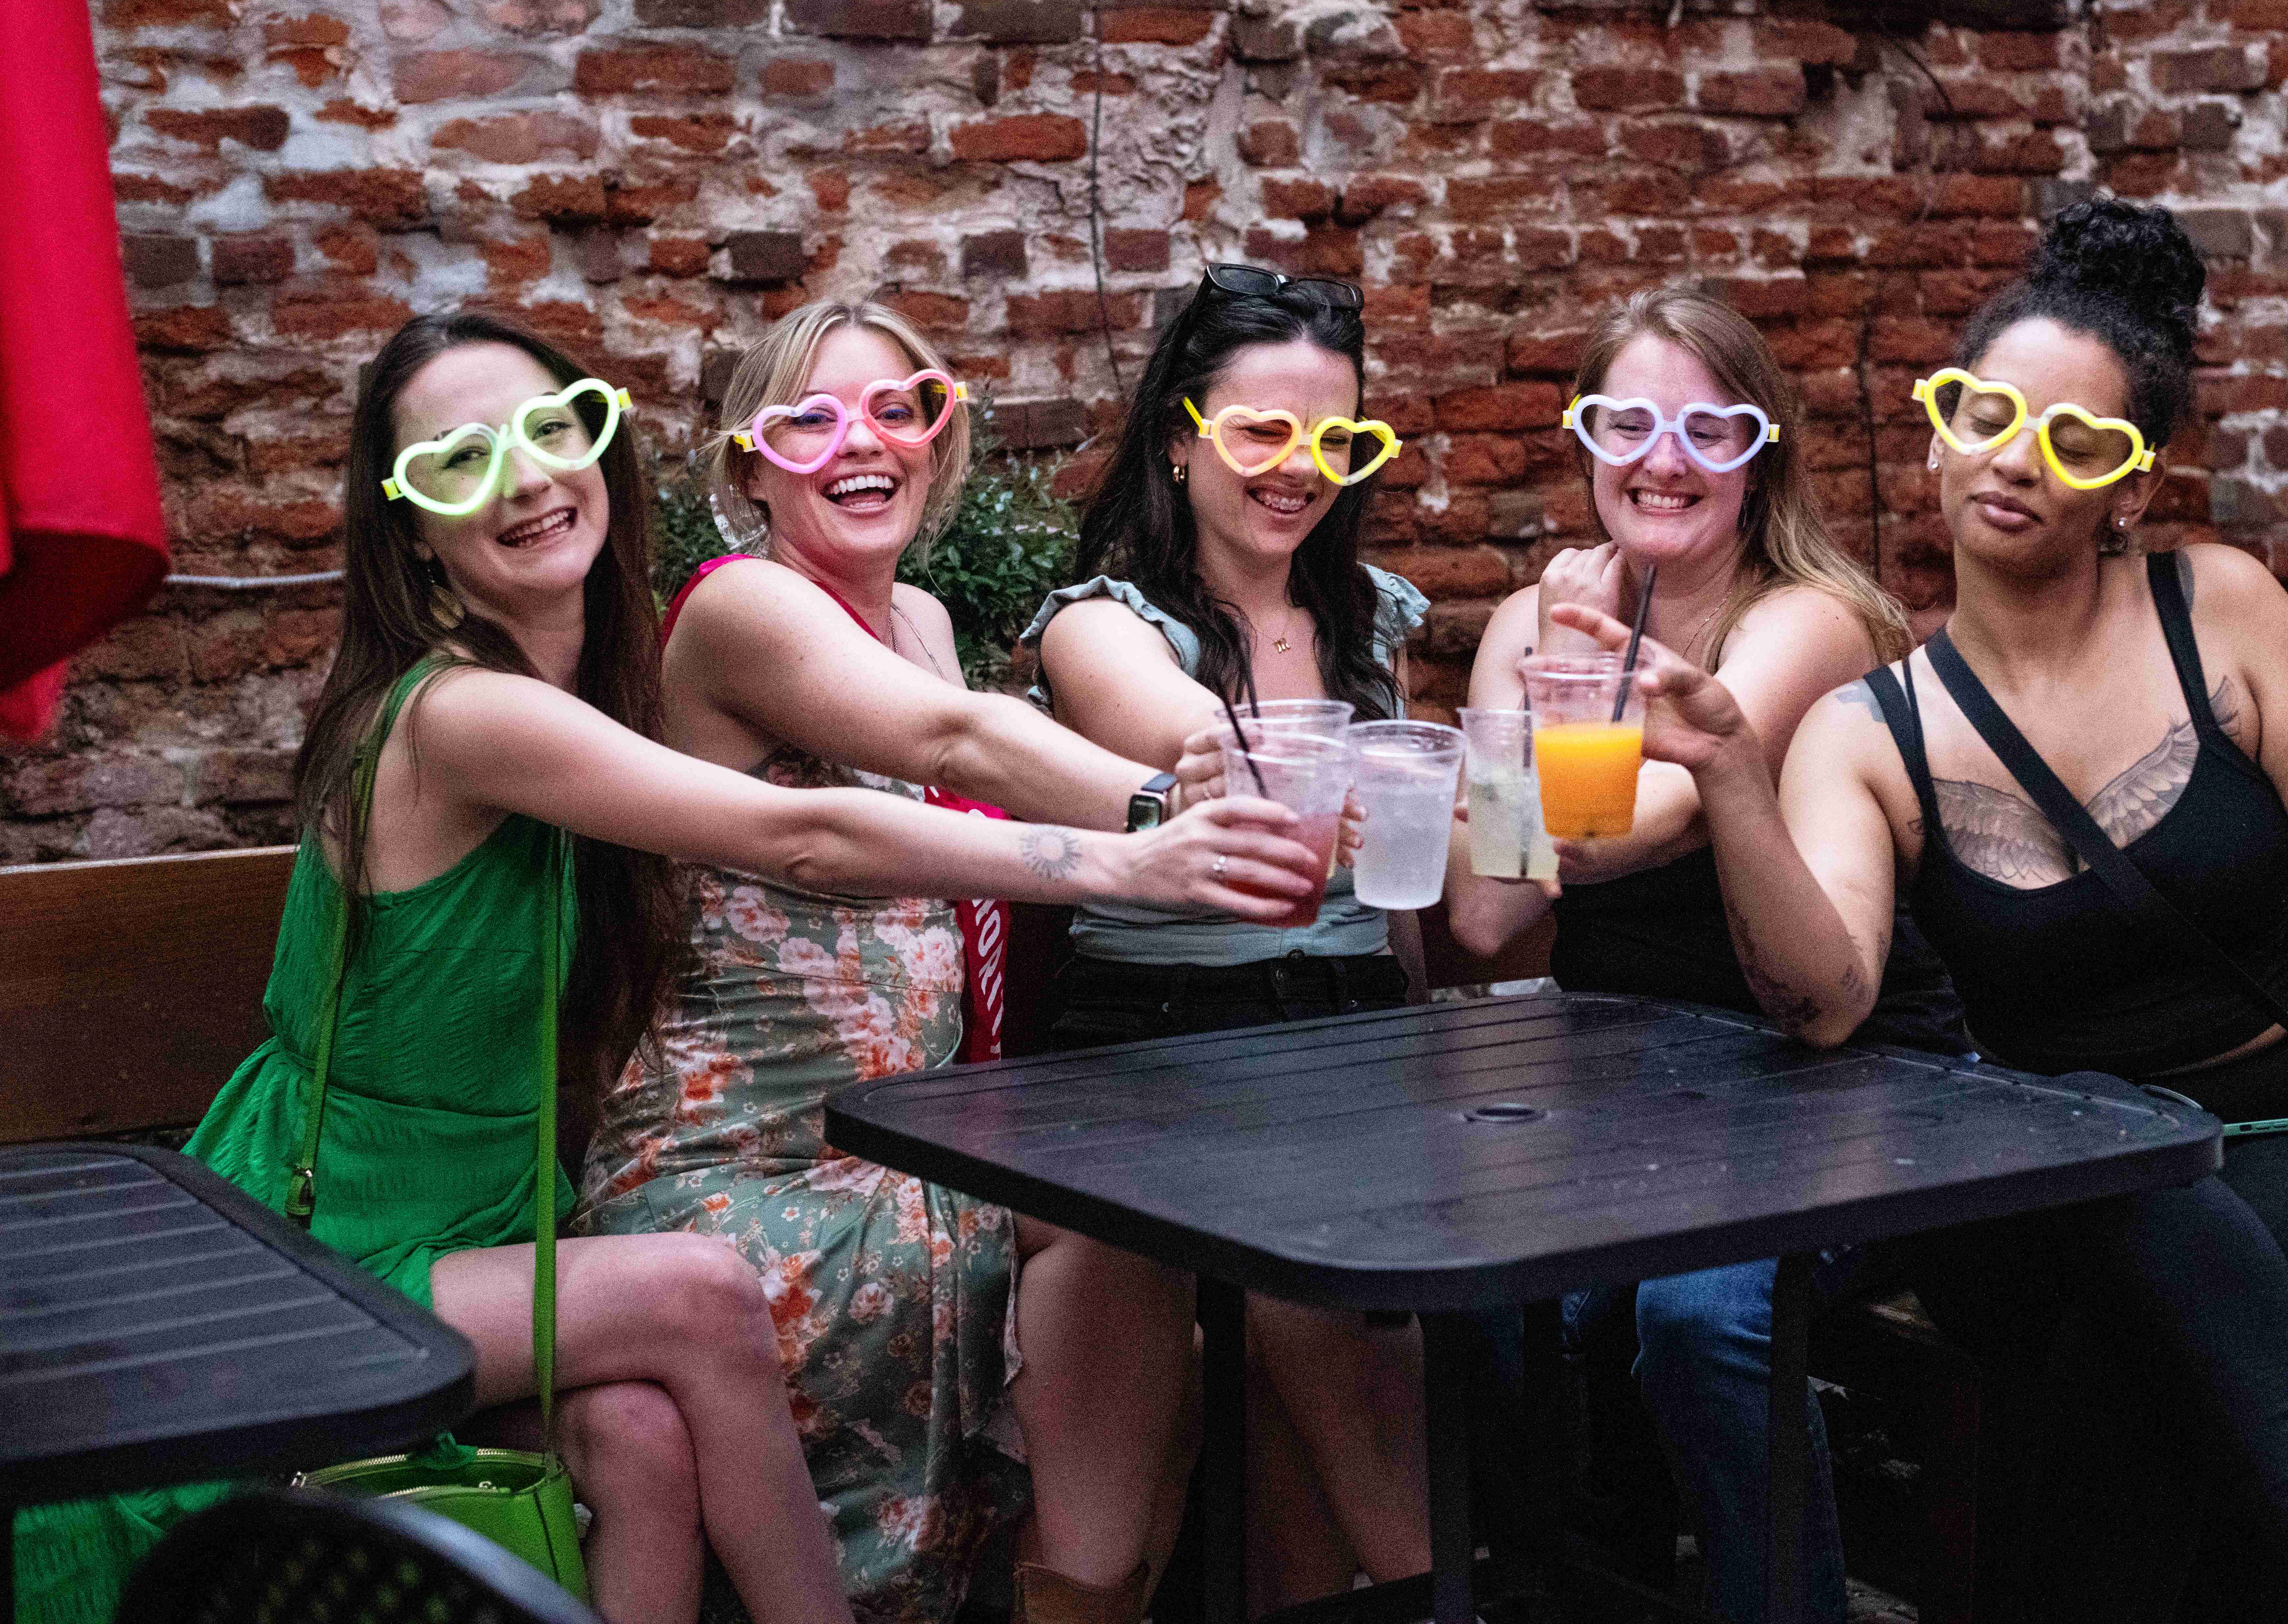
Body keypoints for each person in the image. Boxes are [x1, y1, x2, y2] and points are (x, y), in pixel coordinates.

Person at [13, 311, 1320, 1624]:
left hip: (500, 1221)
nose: (524, 477)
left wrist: (1169, 796)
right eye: (462, 461)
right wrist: (1142, 846)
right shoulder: (469, 711)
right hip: (342, 1235)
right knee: (696, 1295)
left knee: (640, 1428)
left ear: (601, 442)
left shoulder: (605, 673)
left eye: (549, 429)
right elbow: (803, 834)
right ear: (409, 525)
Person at [1550, 200, 2288, 1624]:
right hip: (2035, 1174)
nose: (2020, 457)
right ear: (1936, 435)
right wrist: (1732, 771)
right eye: (1988, 413)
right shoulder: (1869, 727)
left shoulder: (2221, 611)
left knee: (2124, 1338)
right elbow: (1826, 996)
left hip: (2282, 1137)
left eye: (2078, 441)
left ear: (2131, 489)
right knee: (2106, 1189)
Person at [582, 299, 1268, 1623]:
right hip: (746, 1172)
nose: (866, 441)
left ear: (939, 438)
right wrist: (1157, 808)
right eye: (814, 419)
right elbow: (954, 741)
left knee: (1142, 1230)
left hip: (917, 1148)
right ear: (749, 466)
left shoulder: (929, 621)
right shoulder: (741, 611)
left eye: (902, 408)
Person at [1443, 285, 1959, 1624]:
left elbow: (1620, 832)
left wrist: (1540, 692)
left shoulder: (1806, 623)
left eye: (1707, 429)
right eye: (1629, 422)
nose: (1662, 460)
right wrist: (1537, 678)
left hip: (1842, 1072)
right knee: (1486, 1297)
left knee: (1703, 1314)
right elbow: (1492, 917)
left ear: (1763, 450)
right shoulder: (1528, 621)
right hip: (1638, 1083)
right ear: (1583, 438)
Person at [1023, 263, 1431, 1613]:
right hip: (1155, 1050)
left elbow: (1416, 914)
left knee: (1321, 1379)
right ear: (1182, 436)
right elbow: (1183, 740)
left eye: (1337, 439)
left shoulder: (1375, 621)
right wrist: (1340, 774)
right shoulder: (1101, 626)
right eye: (1264, 430)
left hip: (1356, 1034)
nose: (1300, 468)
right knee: (1274, 1303)